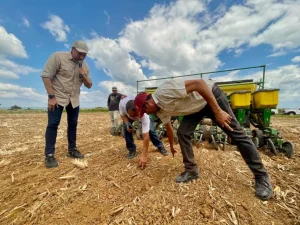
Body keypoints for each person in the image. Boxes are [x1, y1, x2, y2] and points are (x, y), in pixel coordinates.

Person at [134, 79, 273, 200]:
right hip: (195, 107)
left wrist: (217, 111)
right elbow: (169, 127)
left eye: (145, 111)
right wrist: (171, 145)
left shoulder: (164, 91)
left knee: (235, 132)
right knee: (183, 132)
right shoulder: (160, 111)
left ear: (147, 104)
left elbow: (199, 84)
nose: (146, 114)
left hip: (210, 96)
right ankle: (191, 170)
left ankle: (262, 177)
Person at [41, 40, 92, 168]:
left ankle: (72, 149)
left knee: (73, 125)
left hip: (74, 99)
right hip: (57, 97)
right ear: (73, 49)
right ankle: (49, 155)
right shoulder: (58, 57)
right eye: (79, 54)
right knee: (53, 124)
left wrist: (84, 76)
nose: (81, 57)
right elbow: (46, 76)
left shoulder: (85, 66)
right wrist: (51, 97)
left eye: (84, 55)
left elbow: (89, 85)